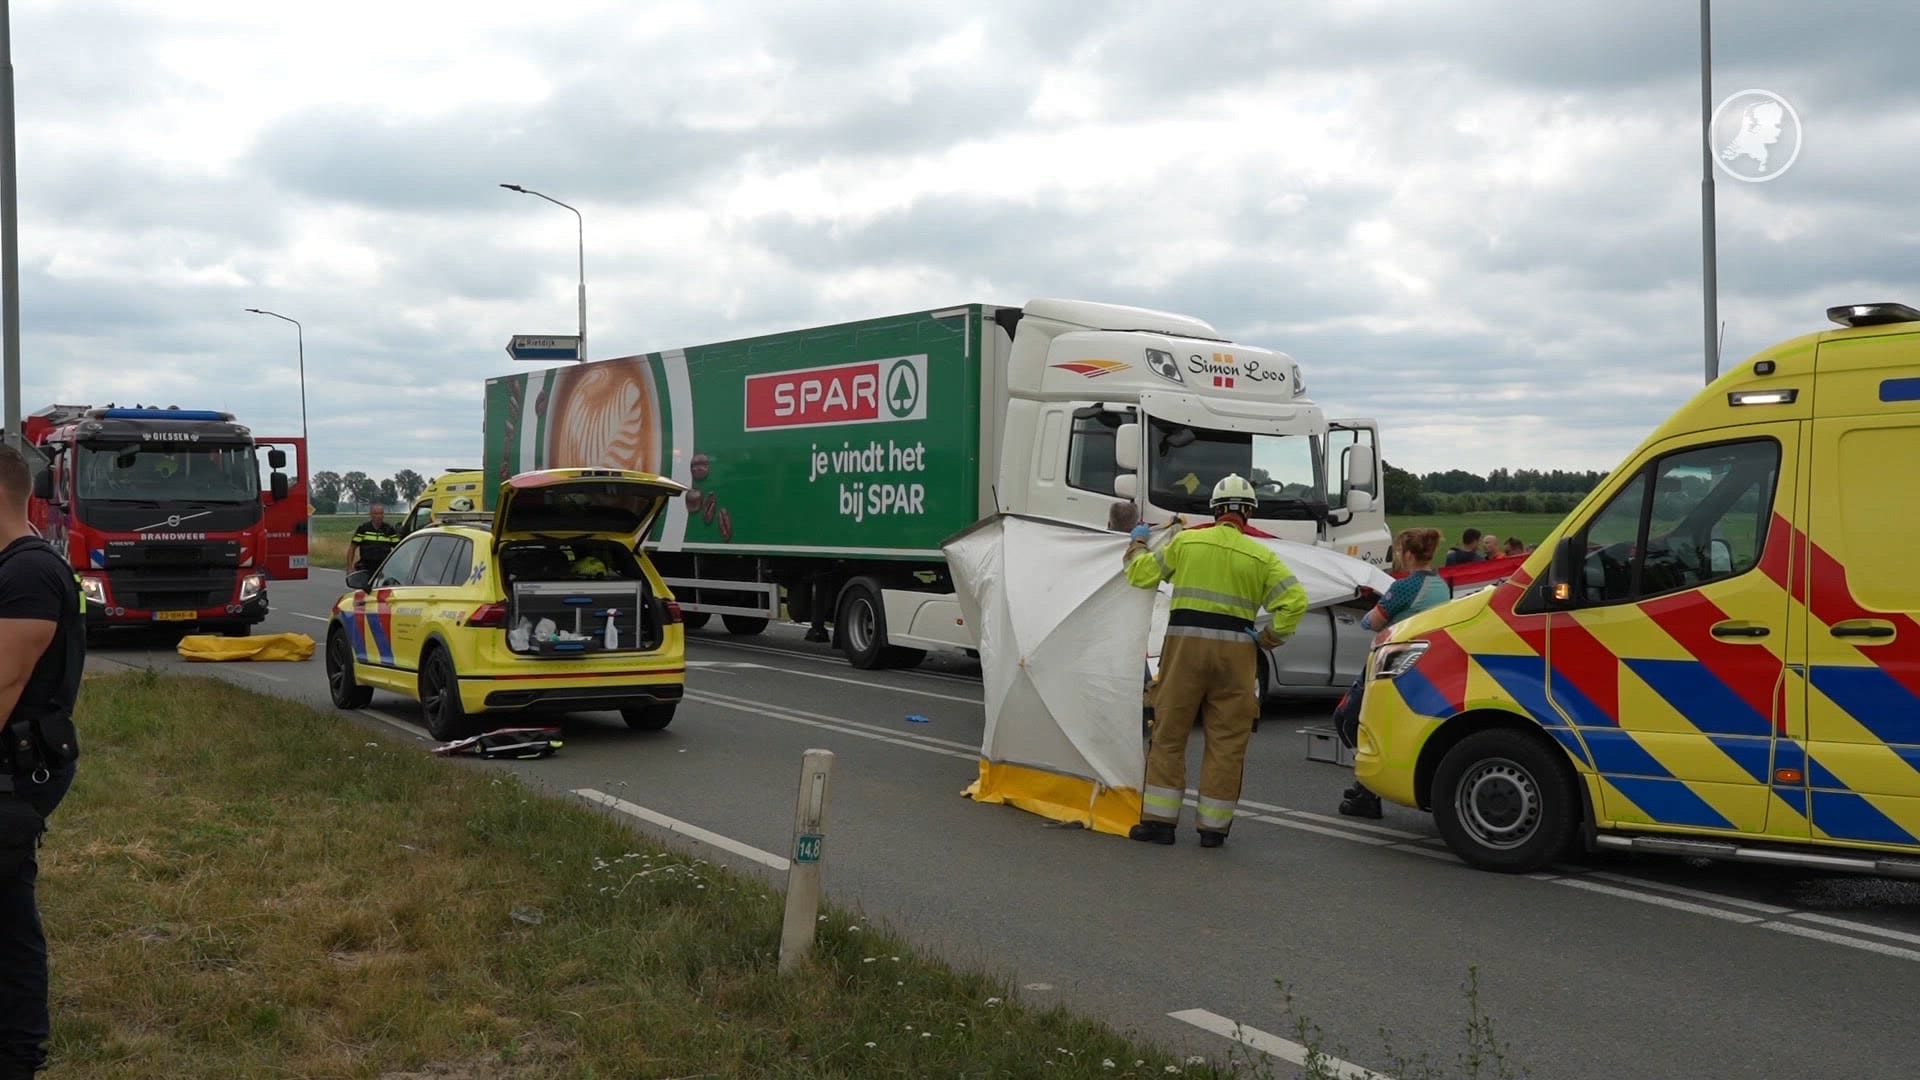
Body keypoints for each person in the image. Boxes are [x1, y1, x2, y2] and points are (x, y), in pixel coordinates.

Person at [1122, 474, 1308, 848]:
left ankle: (1160, 824)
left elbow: (1140, 576)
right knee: (1226, 742)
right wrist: (1268, 638)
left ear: (1215, 510)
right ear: (1249, 513)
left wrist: (1138, 542)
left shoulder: (1186, 542)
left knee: (1169, 733)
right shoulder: (1263, 556)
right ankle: (1213, 830)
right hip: (1237, 654)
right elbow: (1295, 602)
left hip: (1184, 649)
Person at [0, 443, 85, 1078]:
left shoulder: (27, 573)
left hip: (12, 774)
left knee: (7, 924)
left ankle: (17, 1057)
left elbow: (4, 684)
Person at [1335, 527, 1450, 819]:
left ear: (1408, 555)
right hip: (1423, 665)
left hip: (1391, 662)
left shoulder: (1404, 587)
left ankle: (1368, 789)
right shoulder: (1440, 584)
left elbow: (1372, 622)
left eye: (1400, 553)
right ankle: (1368, 788)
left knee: (1349, 720)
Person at [345, 504, 400, 576]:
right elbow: (352, 547)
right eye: (376, 514)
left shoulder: (389, 530)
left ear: (383, 515)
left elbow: (398, 549)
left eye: (381, 513)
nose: (378, 516)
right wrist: (349, 567)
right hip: (365, 567)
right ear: (370, 515)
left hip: (383, 568)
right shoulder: (363, 529)